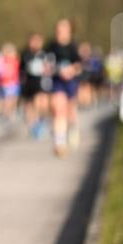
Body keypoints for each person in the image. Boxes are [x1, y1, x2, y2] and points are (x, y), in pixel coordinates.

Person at [46, 18, 82, 157]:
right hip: (57, 82)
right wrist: (54, 70)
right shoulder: (51, 46)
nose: (61, 31)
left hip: (71, 82)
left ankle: (73, 128)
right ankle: (59, 143)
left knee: (70, 111)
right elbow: (46, 63)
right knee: (58, 109)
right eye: (59, 28)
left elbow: (79, 66)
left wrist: (71, 70)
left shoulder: (73, 46)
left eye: (64, 28)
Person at [20, 33, 50, 139]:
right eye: (33, 41)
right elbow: (21, 70)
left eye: (37, 41)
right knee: (29, 106)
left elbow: (49, 68)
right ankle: (33, 126)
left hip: (40, 83)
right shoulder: (25, 54)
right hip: (28, 83)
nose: (35, 44)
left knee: (40, 103)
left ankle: (40, 122)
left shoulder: (44, 54)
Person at [0, 42, 21, 122]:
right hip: (3, 84)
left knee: (12, 101)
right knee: (4, 102)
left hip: (14, 84)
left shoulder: (16, 61)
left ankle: (10, 115)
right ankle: (4, 115)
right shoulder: (1, 61)